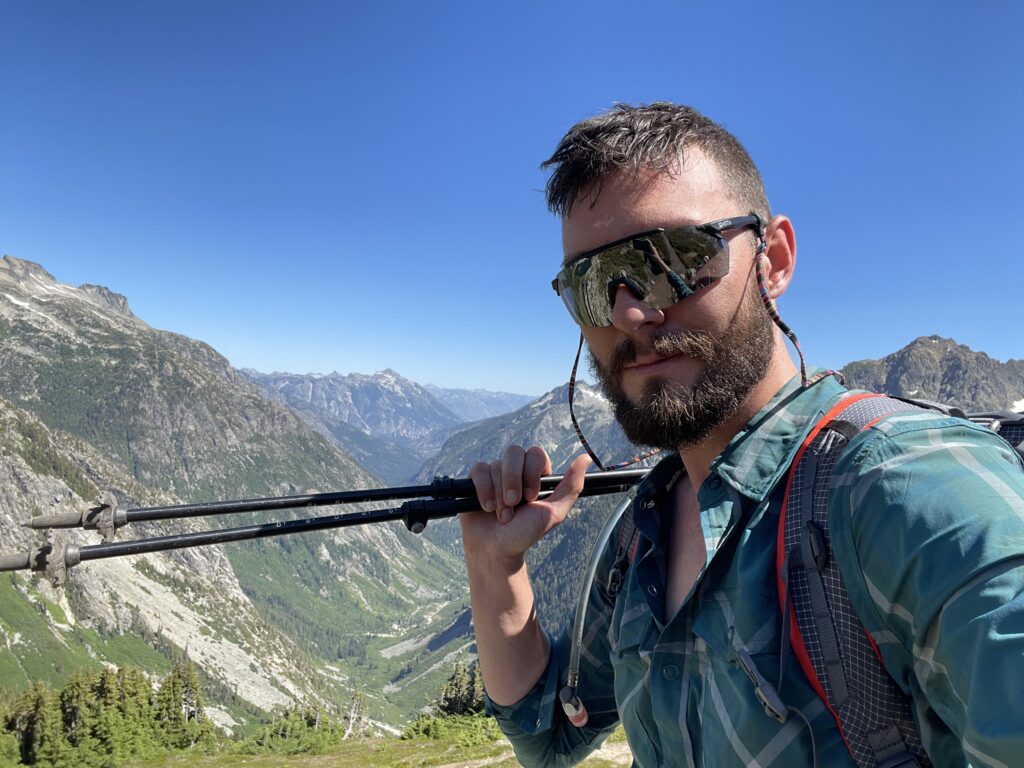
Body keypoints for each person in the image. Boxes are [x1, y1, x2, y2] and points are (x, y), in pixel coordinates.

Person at [460, 102, 1024, 767]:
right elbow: (550, 734)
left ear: (773, 259)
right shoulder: (644, 532)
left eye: (672, 256)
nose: (630, 311)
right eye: (590, 284)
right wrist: (496, 568)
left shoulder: (906, 491)